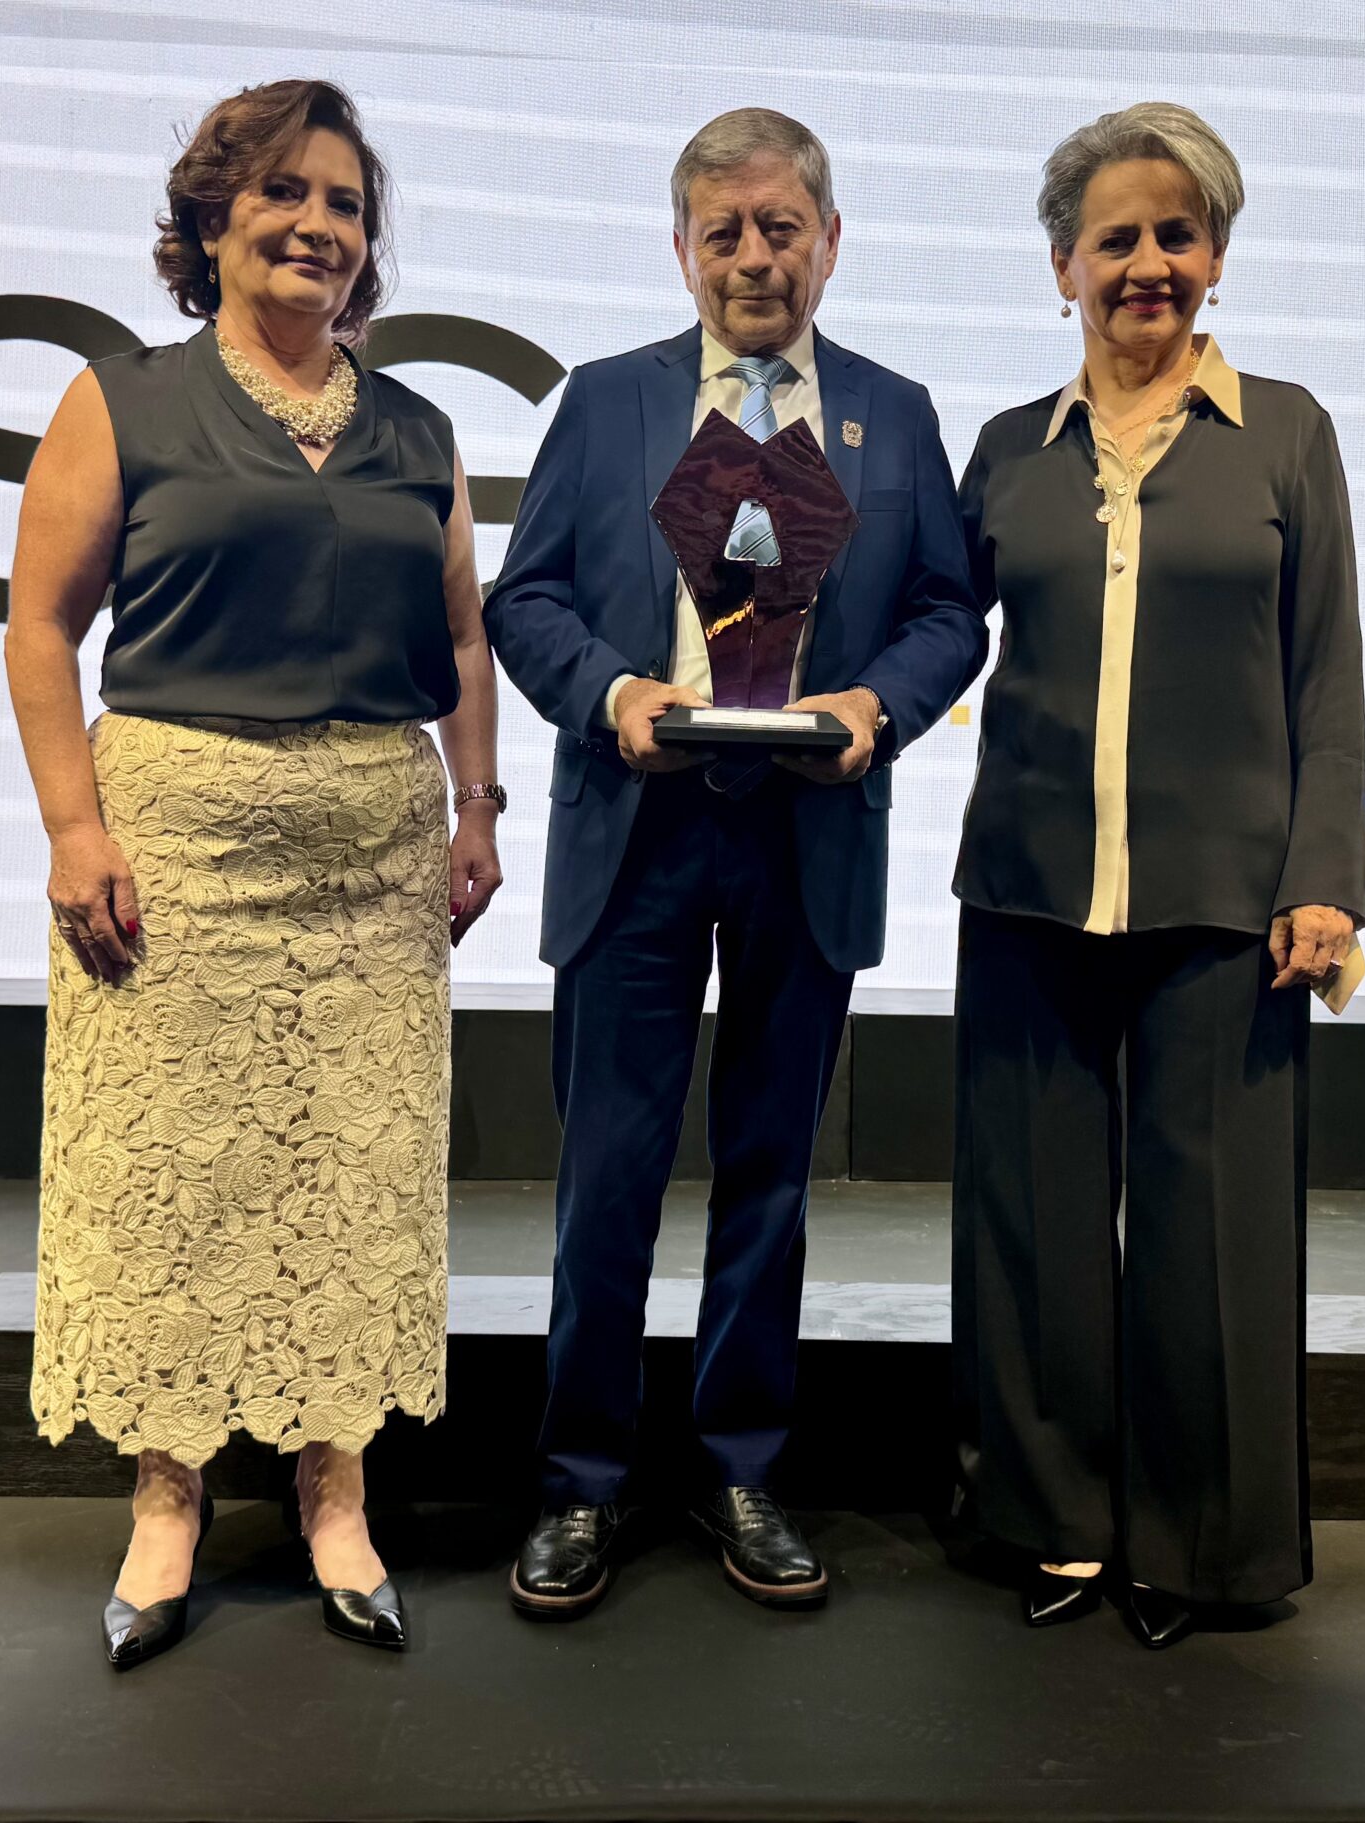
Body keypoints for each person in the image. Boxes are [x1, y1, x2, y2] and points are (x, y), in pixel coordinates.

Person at [5, 78, 504, 1667]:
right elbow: (41, 628)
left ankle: (335, 1492)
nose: (317, 226)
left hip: (372, 858)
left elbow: (464, 640)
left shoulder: (417, 429)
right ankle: (167, 1501)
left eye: (346, 204)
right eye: (285, 193)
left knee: (348, 1176)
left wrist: (478, 806)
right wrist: (74, 829)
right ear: (212, 219)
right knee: (177, 1175)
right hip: (177, 844)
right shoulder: (122, 401)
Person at [485, 107, 987, 1619]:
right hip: (635, 833)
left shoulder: (893, 414)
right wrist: (610, 693)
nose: (754, 257)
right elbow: (526, 599)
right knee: (609, 1177)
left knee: (769, 1175)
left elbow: (948, 613)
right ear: (682, 249)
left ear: (830, 241)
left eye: (781, 228)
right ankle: (582, 1480)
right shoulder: (607, 402)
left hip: (806, 834)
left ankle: (744, 1468)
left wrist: (876, 706)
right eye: (725, 232)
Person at [950, 102, 1365, 1648]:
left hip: (1230, 904)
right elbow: (924, 639)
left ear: (1217, 256)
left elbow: (1326, 673)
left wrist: (1327, 878)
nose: (1146, 265)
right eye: (1114, 238)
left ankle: (1201, 1546)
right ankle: (1050, 1522)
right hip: (1030, 891)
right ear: (1062, 263)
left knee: (1215, 1242)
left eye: (1175, 235)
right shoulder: (1008, 451)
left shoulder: (1289, 434)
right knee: (1034, 1223)